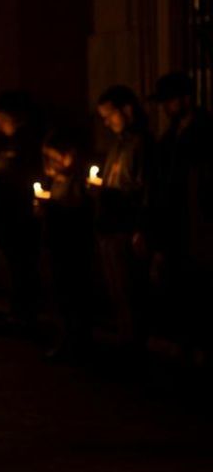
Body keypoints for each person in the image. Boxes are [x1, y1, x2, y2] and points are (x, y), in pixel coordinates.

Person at [149, 71, 213, 351]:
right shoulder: (170, 137)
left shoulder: (204, 133)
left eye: (170, 101)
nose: (166, 107)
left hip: (197, 226)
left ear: (186, 99)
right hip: (174, 225)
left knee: (199, 290)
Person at [93, 85, 152, 356]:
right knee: (116, 289)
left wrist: (141, 227)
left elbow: (144, 188)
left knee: (130, 290)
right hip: (110, 223)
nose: (106, 122)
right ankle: (124, 341)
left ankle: (134, 346)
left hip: (125, 225)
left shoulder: (141, 144)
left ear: (127, 110)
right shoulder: (119, 144)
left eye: (109, 115)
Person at [38, 128, 95, 363]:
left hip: (73, 247)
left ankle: (78, 342)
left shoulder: (78, 183)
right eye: (47, 158)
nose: (50, 163)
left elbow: (77, 212)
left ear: (69, 156)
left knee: (75, 295)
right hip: (56, 244)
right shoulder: (56, 182)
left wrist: (51, 209)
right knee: (61, 294)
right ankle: (66, 338)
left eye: (54, 157)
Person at [0, 91, 43, 335]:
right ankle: (18, 313)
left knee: (23, 266)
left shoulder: (26, 142)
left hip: (18, 213)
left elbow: (20, 175)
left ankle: (24, 316)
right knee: (16, 266)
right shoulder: (11, 142)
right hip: (8, 211)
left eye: (1, 120)